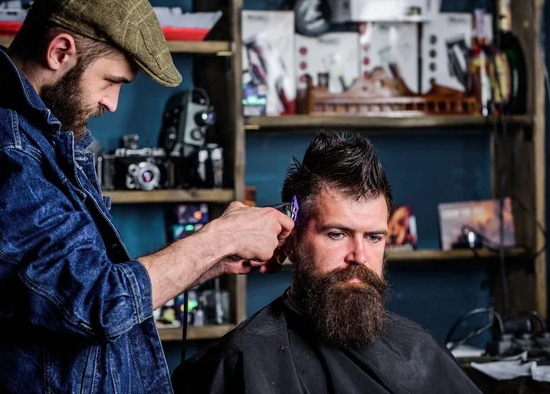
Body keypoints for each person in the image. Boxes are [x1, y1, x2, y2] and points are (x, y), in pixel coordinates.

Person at [0, 0, 293, 393]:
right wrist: (219, 238)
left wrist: (212, 259)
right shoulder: (10, 149)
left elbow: (79, 283)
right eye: (111, 81)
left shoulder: (44, 137)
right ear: (60, 50)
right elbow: (97, 302)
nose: (112, 103)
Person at [172, 132, 482, 394]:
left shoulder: (419, 350)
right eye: (337, 234)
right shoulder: (244, 358)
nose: (359, 256)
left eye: (374, 237)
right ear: (291, 241)